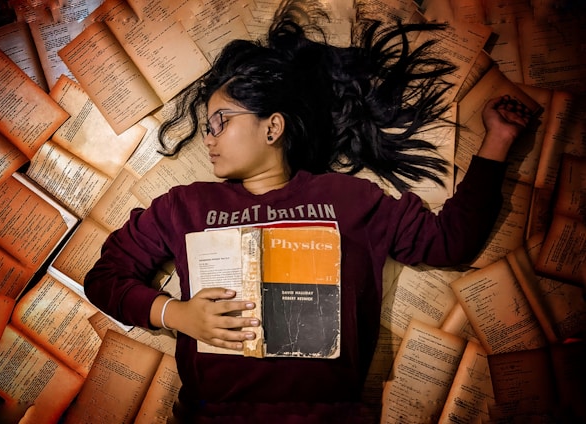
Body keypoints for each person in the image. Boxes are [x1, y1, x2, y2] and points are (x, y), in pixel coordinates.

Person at [84, 1, 533, 422]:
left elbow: (447, 242)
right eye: (206, 127)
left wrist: (498, 141)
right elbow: (104, 279)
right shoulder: (183, 205)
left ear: (272, 127)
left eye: (221, 121)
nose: (209, 138)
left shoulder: (350, 199)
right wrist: (174, 313)